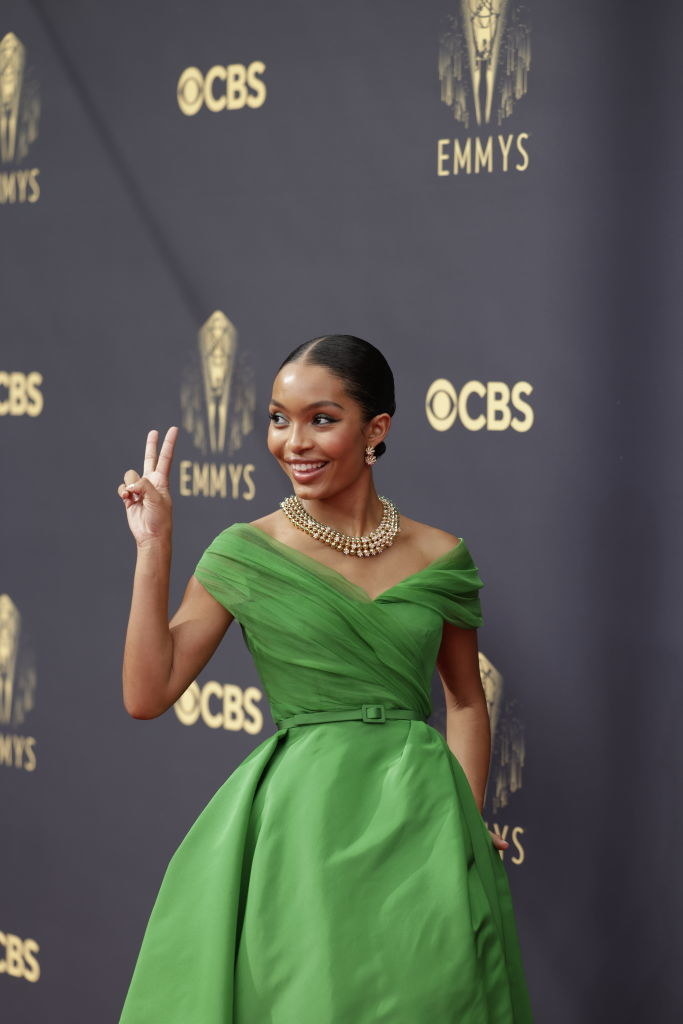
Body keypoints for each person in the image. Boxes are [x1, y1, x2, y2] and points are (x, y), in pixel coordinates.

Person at [117, 334, 533, 1022]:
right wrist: (153, 546)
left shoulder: (440, 555)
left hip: (420, 820)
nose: (293, 442)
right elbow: (146, 693)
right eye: (278, 418)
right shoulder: (246, 551)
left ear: (376, 431)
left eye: (321, 418)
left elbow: (464, 699)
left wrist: (464, 811)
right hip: (304, 827)